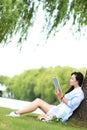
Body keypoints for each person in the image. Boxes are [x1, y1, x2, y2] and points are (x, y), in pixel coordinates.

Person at [8, 72, 84, 122]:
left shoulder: (79, 93)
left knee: (38, 104)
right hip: (58, 109)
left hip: (61, 114)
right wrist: (59, 96)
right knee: (38, 101)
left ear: (77, 81)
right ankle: (17, 113)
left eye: (72, 79)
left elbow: (71, 104)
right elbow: (63, 103)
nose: (70, 80)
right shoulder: (73, 90)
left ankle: (16, 113)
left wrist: (62, 97)